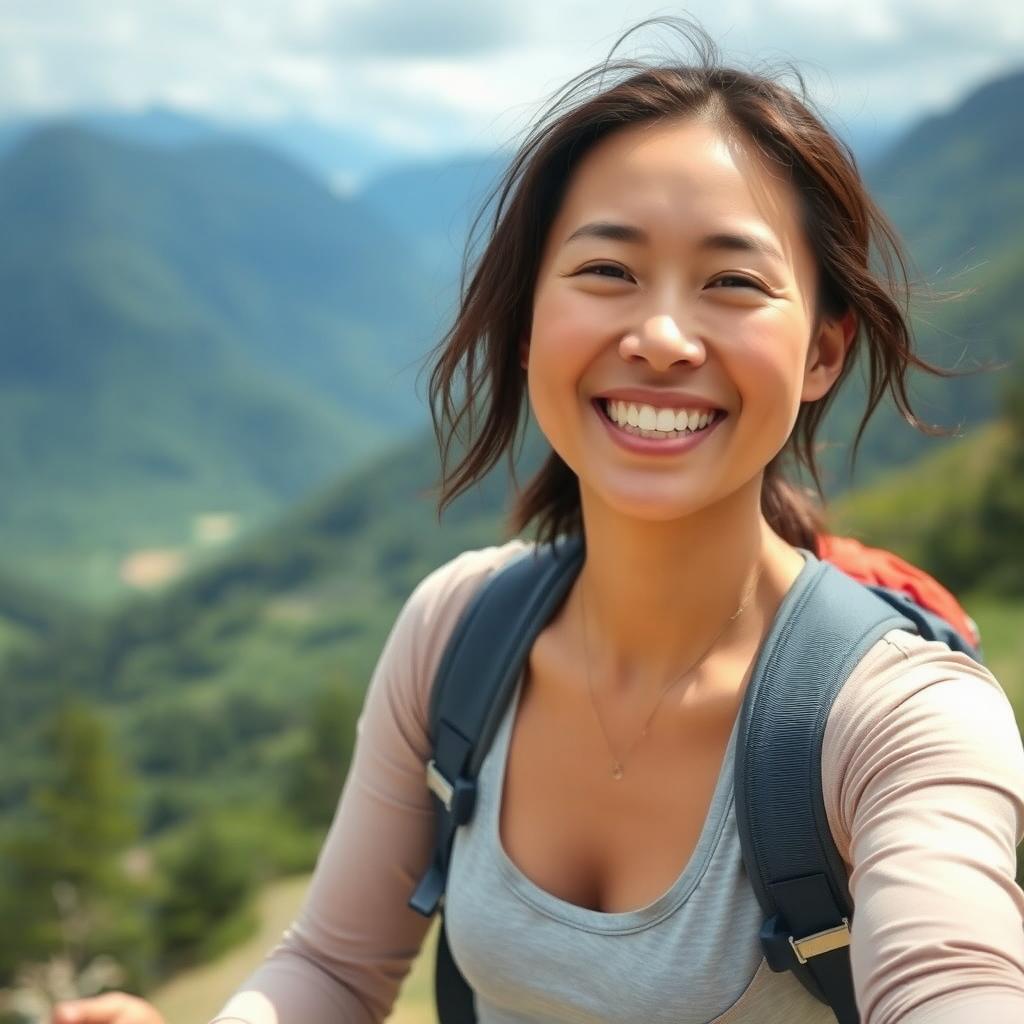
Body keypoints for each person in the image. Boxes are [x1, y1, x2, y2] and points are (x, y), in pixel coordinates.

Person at [54, 16, 1024, 1024]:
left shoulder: (899, 721)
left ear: (822, 353)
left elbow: (956, 985)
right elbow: (334, 969)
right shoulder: (458, 635)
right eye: (608, 270)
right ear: (525, 323)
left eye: (732, 281)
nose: (658, 337)